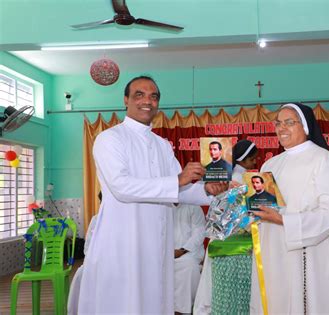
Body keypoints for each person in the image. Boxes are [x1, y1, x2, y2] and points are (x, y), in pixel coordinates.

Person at [78, 76, 227, 314]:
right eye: (139, 94)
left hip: (157, 241)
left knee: (154, 301)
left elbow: (179, 191)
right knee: (122, 303)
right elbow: (122, 187)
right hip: (124, 241)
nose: (147, 101)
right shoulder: (109, 138)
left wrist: (208, 191)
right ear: (126, 100)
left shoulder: (161, 144)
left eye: (153, 96)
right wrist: (178, 180)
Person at [249, 103, 329, 314]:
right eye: (278, 123)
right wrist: (244, 199)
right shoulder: (270, 165)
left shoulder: (323, 159)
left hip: (309, 255)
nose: (281, 128)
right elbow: (264, 209)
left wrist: (285, 221)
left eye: (289, 122)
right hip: (274, 253)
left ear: (305, 126)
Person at [194, 139, 258, 315]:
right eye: (253, 160)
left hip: (219, 246)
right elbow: (245, 220)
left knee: (216, 293)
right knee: (238, 296)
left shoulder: (224, 179)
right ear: (244, 160)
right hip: (238, 249)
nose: (255, 163)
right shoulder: (246, 183)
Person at [173, 203, 206, 315]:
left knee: (188, 265)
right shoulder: (162, 206)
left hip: (191, 251)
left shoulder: (194, 206)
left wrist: (182, 250)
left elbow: (199, 233)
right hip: (167, 252)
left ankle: (181, 310)